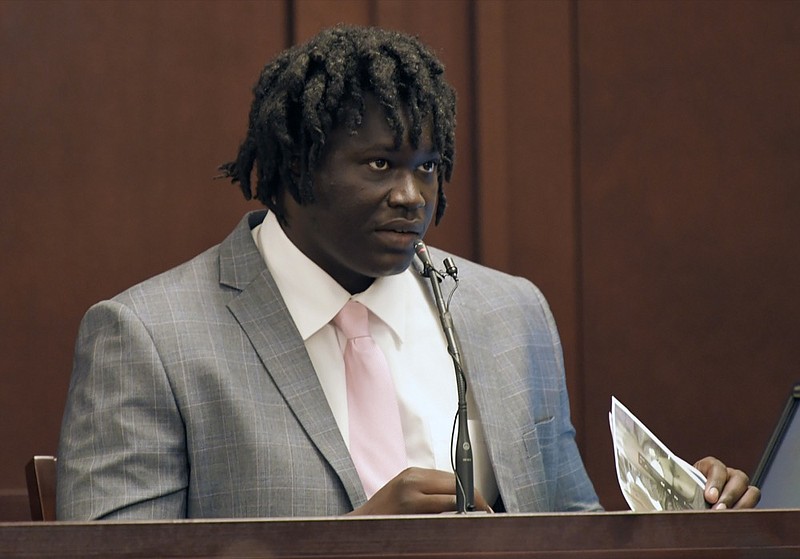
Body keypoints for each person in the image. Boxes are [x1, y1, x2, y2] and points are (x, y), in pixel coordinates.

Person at [56, 25, 759, 520]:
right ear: (294, 168)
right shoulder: (149, 337)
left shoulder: (507, 312)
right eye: (379, 164)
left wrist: (685, 511)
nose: (412, 195)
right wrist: (352, 548)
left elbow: (569, 522)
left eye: (427, 167)